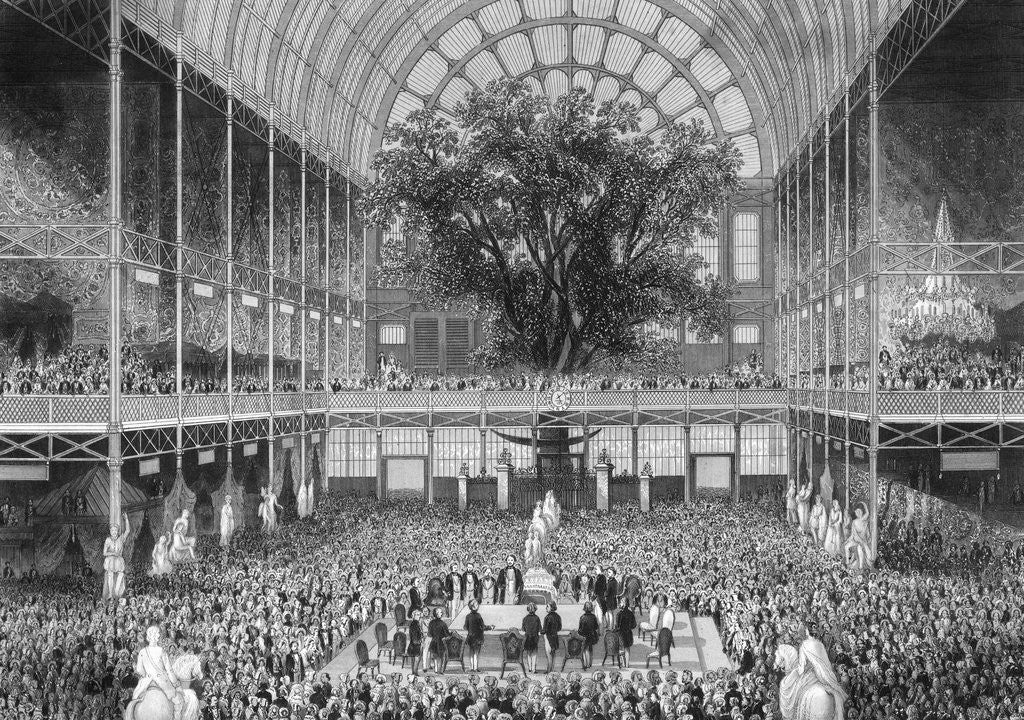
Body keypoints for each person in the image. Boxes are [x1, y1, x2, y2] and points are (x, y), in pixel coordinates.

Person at [129, 624, 185, 720]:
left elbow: (139, 670)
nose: (159, 635)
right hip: (163, 682)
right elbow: (169, 671)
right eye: (158, 633)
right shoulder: (161, 650)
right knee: (179, 701)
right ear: (155, 636)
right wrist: (177, 685)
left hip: (145, 683)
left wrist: (146, 674)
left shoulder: (142, 652)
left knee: (134, 700)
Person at [102, 512, 130, 602]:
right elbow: (104, 553)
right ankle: (110, 593)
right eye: (112, 530)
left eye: (115, 530)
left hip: (119, 561)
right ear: (110, 531)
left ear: (117, 531)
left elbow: (128, 531)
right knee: (110, 575)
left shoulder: (121, 539)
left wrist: (126, 519)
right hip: (110, 560)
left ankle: (117, 592)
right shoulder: (108, 540)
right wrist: (113, 554)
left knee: (120, 574)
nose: (114, 532)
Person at [845, 502, 873, 570]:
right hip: (855, 539)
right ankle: (848, 562)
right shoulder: (854, 521)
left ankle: (860, 566)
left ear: (861, 512)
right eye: (856, 512)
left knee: (859, 548)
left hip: (862, 540)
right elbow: (852, 533)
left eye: (859, 512)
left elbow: (867, 513)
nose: (858, 513)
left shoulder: (863, 519)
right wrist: (848, 539)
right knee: (846, 546)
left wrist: (864, 504)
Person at [463, 599, 488, 672]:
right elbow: (483, 627)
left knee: (471, 652)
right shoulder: (478, 616)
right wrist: (490, 627)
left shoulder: (468, 616)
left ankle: (471, 668)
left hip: (470, 637)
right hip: (478, 637)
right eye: (477, 605)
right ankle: (475, 668)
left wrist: (470, 629)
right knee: (476, 653)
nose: (478, 606)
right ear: (473, 607)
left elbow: (465, 627)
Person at [578, 601, 600, 670]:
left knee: (585, 650)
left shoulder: (582, 617)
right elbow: (596, 627)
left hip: (585, 636)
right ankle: (590, 663)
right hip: (592, 636)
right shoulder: (593, 617)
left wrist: (579, 632)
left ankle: (586, 664)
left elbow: (580, 629)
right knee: (590, 649)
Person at [427, 607, 449, 673]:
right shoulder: (443, 623)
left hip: (433, 642)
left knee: (435, 656)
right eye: (440, 612)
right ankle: (440, 670)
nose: (441, 613)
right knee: (441, 657)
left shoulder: (431, 623)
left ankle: (436, 669)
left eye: (441, 612)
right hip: (441, 643)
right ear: (436, 614)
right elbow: (447, 634)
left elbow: (429, 634)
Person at [542, 601, 562, 673]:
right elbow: (559, 628)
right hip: (555, 637)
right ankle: (551, 670)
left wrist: (541, 631)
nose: (546, 608)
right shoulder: (558, 616)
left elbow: (544, 630)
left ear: (551, 607)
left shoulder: (547, 617)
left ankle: (549, 670)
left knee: (549, 655)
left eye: (547, 606)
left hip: (548, 638)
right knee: (553, 654)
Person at [521, 602, 541, 673]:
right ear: (535, 609)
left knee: (529, 654)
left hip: (527, 638)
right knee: (534, 654)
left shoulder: (525, 618)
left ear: (528, 609)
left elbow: (523, 629)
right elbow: (540, 629)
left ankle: (529, 668)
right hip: (535, 638)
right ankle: (533, 669)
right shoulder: (537, 618)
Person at [615, 601, 636, 667]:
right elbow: (634, 625)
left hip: (621, 633)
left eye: (620, 602)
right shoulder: (631, 613)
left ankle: (623, 663)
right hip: (628, 633)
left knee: (621, 648)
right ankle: (627, 664)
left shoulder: (619, 614)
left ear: (622, 605)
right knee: (627, 648)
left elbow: (617, 626)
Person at [407, 609, 424, 676]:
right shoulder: (414, 624)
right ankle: (414, 673)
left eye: (419, 615)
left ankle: (414, 672)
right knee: (416, 660)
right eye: (417, 615)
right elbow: (414, 636)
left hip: (414, 644)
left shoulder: (416, 623)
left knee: (415, 660)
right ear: (413, 616)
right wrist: (420, 642)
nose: (418, 616)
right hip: (415, 645)